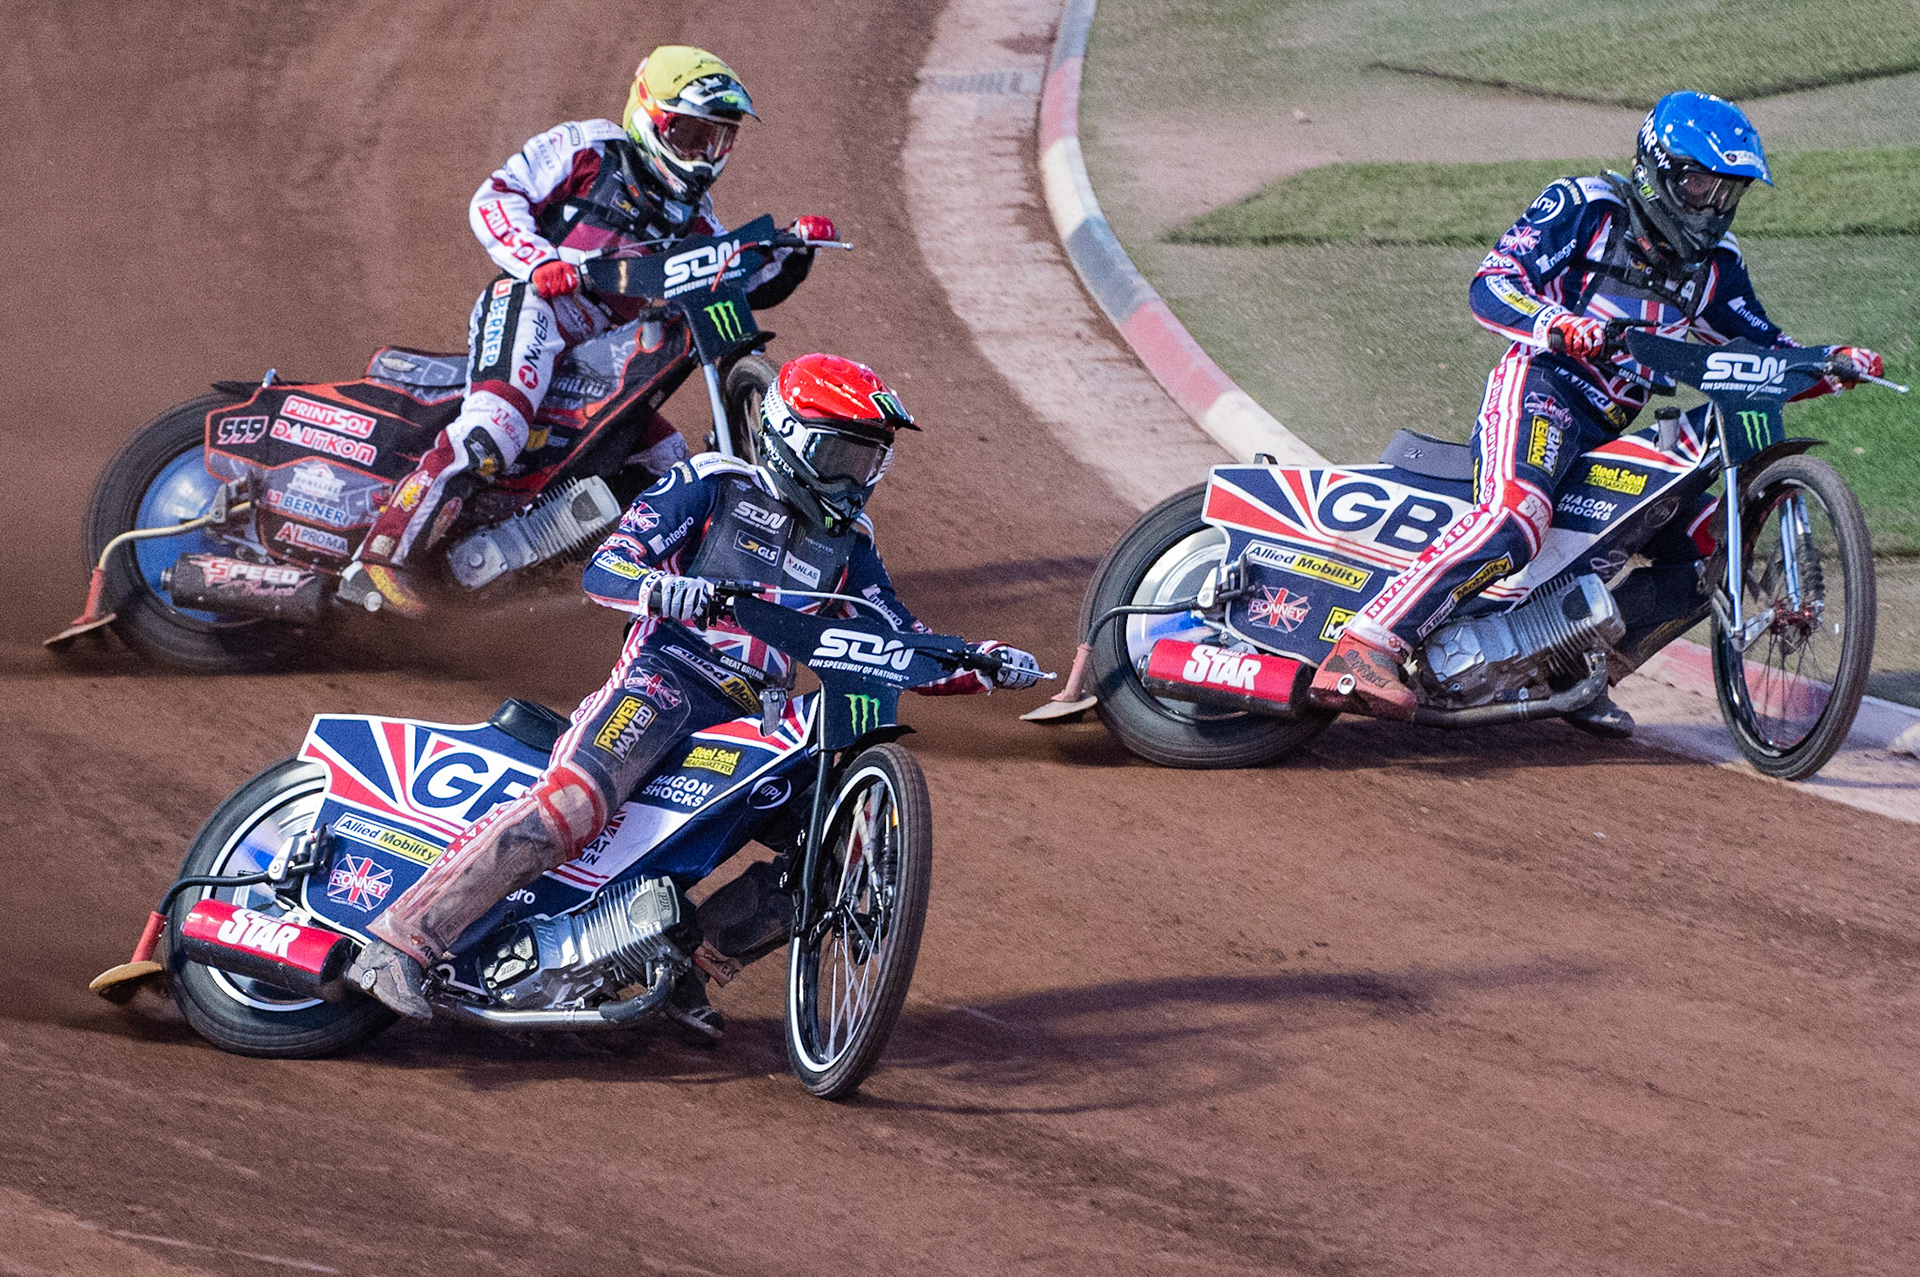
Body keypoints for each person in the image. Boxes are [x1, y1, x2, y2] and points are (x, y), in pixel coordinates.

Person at [345, 353, 1045, 1036]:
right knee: (572, 803)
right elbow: (607, 568)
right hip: (665, 679)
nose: (856, 479)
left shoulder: (852, 544)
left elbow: (895, 640)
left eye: (868, 461)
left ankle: (688, 965)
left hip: (756, 721)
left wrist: (978, 662)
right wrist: (665, 588)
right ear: (791, 439)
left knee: (832, 847)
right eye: (842, 456)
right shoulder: (713, 483)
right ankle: (401, 940)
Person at [1311, 90, 1884, 734]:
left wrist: (1830, 362)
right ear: (1656, 170)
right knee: (1517, 515)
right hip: (1540, 390)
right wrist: (1558, 325)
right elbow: (1492, 285)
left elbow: (1759, 351)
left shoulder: (1718, 268)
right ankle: (1366, 644)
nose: (1713, 206)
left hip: (1610, 431)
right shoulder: (1585, 207)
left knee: (1707, 554)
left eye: (1729, 192)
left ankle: (1577, 673)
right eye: (1700, 184)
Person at [340, 45, 834, 617]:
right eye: (692, 135)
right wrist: (536, 258)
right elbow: (495, 197)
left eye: (718, 139)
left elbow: (735, 279)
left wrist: (794, 248)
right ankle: (379, 559)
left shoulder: (695, 218)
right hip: (534, 308)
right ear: (651, 116)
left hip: (604, 354)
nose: (704, 155)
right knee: (492, 430)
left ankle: (591, 581)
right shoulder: (590, 147)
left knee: (667, 467)